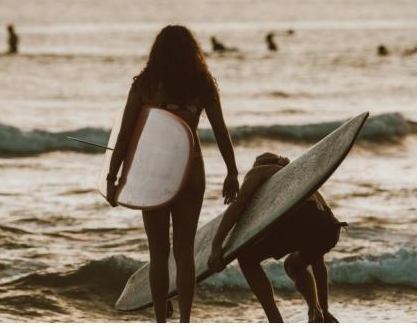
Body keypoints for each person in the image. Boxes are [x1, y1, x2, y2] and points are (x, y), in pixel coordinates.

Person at [105, 25, 239, 322]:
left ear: (158, 52)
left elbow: (125, 134)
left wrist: (111, 178)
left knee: (158, 254)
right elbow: (221, 131)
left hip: (154, 172)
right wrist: (232, 171)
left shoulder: (146, 84)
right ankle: (185, 320)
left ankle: (160, 321)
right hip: (191, 169)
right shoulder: (202, 84)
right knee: (184, 251)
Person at [208, 152, 343, 323]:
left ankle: (275, 321)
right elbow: (319, 264)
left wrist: (216, 245)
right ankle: (316, 311)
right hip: (330, 228)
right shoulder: (304, 182)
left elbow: (240, 202)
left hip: (303, 219)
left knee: (246, 257)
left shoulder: (262, 171)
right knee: (294, 265)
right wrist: (325, 308)